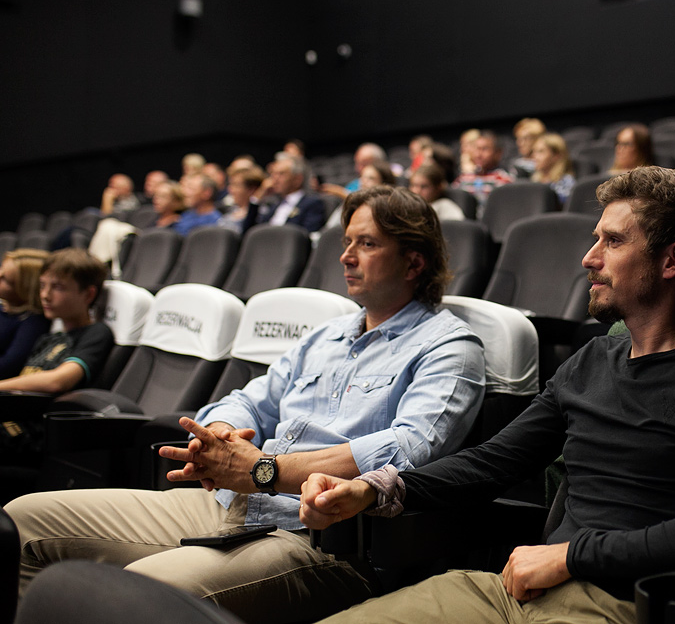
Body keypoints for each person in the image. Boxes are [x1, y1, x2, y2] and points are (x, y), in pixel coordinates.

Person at [301, 166, 675, 624]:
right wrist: (378, 488)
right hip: (511, 592)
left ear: (674, 259)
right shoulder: (590, 362)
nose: (590, 258)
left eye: (612, 242)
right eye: (594, 239)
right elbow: (491, 463)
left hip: (621, 603)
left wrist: (571, 555)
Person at [5, 186, 487, 624]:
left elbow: (411, 447)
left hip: (319, 540)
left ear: (414, 262)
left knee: (130, 596)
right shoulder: (326, 335)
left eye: (367, 244)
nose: (346, 257)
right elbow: (248, 400)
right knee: (22, 522)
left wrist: (264, 467)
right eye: (346, 242)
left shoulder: (449, 346)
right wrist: (221, 439)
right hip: (230, 504)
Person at [0, 248, 112, 395]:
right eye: (42, 285)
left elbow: (57, 381)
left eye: (58, 287)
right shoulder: (50, 338)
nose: (45, 295)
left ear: (88, 294)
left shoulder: (96, 333)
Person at [0, 250, 50, 379]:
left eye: (6, 280)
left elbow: (7, 366)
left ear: (26, 288)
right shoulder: (3, 308)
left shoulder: (33, 322)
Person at [254, 156, 326, 232]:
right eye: (273, 174)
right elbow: (253, 229)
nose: (275, 179)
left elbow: (308, 234)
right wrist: (258, 196)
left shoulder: (312, 203)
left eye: (281, 174)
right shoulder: (274, 204)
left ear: (297, 179)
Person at [452, 130, 512, 216]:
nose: (478, 154)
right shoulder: (463, 179)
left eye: (484, 149)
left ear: (498, 153)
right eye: (476, 148)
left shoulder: (504, 180)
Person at [322, 143, 388, 199]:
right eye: (357, 163)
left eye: (363, 164)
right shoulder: (355, 183)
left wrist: (339, 192)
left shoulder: (388, 182)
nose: (358, 168)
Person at [218, 166, 266, 234]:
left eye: (236, 185)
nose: (231, 190)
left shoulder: (260, 213)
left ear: (251, 189)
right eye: (231, 184)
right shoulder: (230, 210)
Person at [531, 132, 576, 204]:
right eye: (534, 152)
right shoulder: (534, 181)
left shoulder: (566, 182)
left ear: (556, 156)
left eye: (541, 152)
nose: (534, 157)